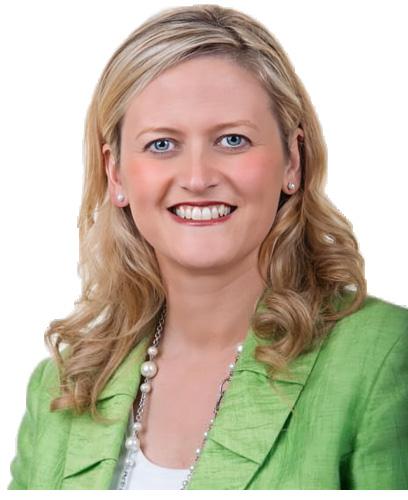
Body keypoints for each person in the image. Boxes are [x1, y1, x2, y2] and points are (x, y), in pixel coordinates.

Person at [8, 4, 408, 490]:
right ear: (116, 174)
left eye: (232, 140)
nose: (197, 178)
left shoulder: (385, 356)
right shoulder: (62, 387)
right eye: (162, 145)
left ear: (293, 161)